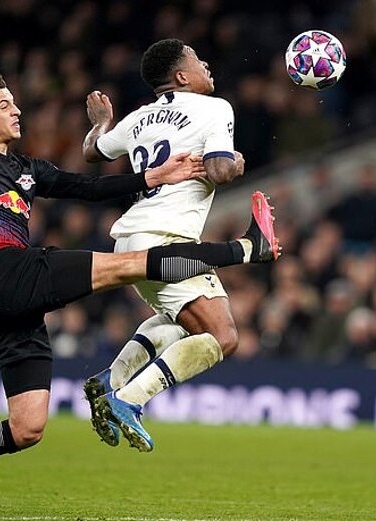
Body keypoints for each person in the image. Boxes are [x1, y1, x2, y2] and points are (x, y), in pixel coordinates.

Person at [0, 70, 277, 510]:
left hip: (7, 303)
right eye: (4, 105)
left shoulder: (26, 169)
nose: (16, 110)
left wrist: (153, 177)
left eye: (14, 102)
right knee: (130, 265)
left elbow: (89, 187)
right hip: (5, 269)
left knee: (26, 428)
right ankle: (246, 248)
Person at [81, 39, 279, 452]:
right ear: (182, 75)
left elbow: (92, 151)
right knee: (223, 336)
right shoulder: (215, 108)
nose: (206, 63)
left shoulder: (140, 118)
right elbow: (220, 171)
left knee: (181, 323)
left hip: (131, 238)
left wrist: (101, 123)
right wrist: (236, 162)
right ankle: (128, 399)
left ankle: (111, 379)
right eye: (197, 59)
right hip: (167, 238)